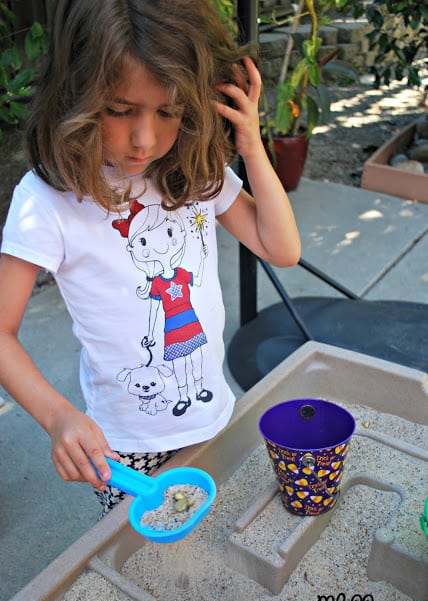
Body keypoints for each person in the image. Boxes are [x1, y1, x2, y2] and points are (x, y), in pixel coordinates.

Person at [0, 0, 301, 516]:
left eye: (169, 111)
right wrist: (58, 417)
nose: (145, 139)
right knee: (143, 568)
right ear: (77, 93)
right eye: (120, 110)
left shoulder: (189, 169)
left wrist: (250, 145)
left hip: (212, 418)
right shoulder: (48, 199)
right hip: (121, 450)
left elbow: (282, 249)